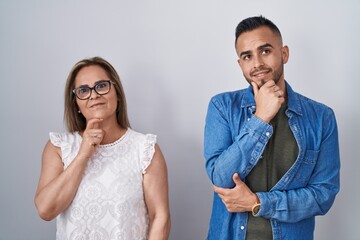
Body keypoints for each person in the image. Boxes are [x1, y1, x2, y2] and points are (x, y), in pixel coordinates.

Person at [204, 16, 340, 240]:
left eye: (265, 51)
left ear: (284, 53)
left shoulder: (321, 117)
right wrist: (261, 117)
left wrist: (259, 203)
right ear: (240, 64)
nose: (257, 63)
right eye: (247, 56)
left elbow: (323, 195)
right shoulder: (222, 107)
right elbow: (221, 178)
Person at [35, 57, 171, 239]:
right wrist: (83, 155)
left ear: (117, 93)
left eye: (101, 86)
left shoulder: (145, 149)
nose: (93, 95)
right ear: (76, 102)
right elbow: (46, 210)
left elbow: (160, 217)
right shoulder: (59, 147)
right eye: (83, 90)